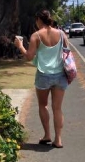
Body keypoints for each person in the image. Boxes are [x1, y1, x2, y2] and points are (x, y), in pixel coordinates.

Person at [14, 10, 69, 148]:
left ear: (39, 19)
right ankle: (58, 140)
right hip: (60, 75)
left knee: (43, 105)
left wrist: (20, 46)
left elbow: (29, 56)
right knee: (57, 108)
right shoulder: (61, 34)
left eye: (36, 20)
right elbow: (67, 52)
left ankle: (47, 135)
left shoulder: (36, 36)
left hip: (43, 75)